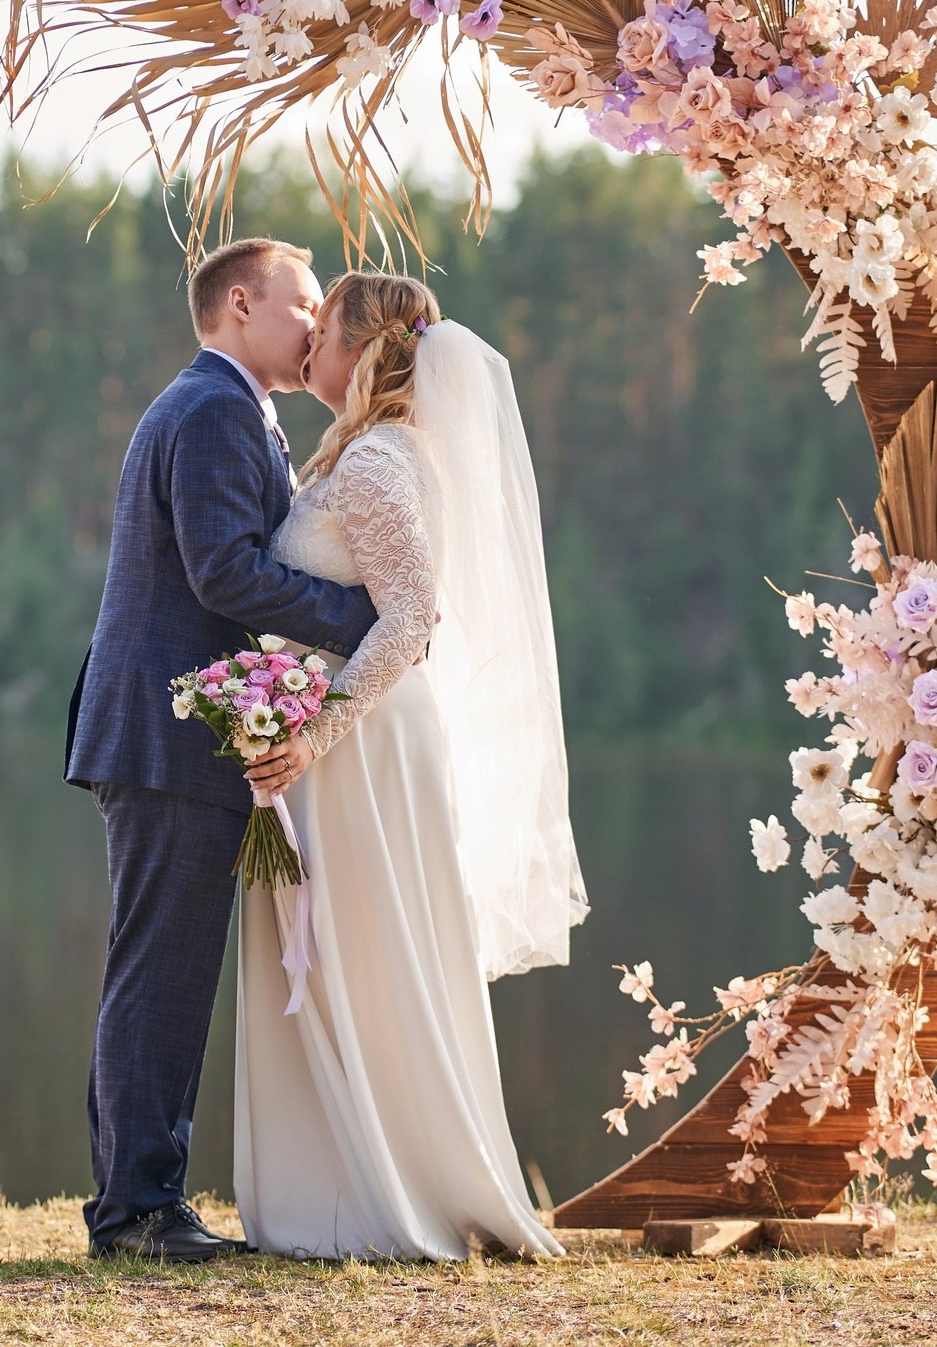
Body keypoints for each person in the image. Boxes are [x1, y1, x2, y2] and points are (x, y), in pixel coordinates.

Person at [233, 271, 588, 1260]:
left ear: (367, 349)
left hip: (365, 750)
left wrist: (315, 732)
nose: (307, 341)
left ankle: (392, 1193)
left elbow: (412, 622)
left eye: (324, 328)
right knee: (338, 957)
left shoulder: (380, 462)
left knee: (372, 958)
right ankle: (334, 1190)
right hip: (341, 745)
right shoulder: (359, 451)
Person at [66, 237, 379, 1262]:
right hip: (167, 737)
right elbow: (224, 577)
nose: (315, 326)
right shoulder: (209, 410)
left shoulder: (231, 409)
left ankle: (140, 1200)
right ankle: (134, 1213)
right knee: (159, 972)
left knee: (163, 969)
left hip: (178, 734)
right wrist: (362, 616)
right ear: (240, 305)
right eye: (301, 306)